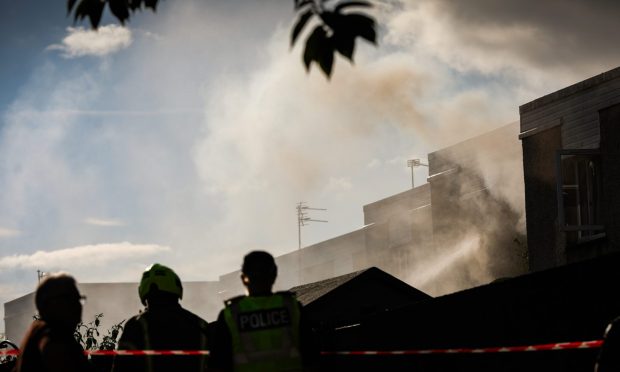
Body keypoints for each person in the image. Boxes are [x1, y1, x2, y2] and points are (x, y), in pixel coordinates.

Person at [209, 251, 317, 372]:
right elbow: (311, 356)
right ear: (274, 275)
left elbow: (218, 364)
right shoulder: (292, 308)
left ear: (244, 278)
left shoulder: (230, 314)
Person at [111, 263, 209, 372]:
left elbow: (121, 367)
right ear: (177, 289)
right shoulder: (201, 325)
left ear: (144, 292)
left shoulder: (137, 325)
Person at [14, 273, 94, 372]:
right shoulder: (53, 338)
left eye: (79, 299)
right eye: (72, 298)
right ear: (51, 303)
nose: (78, 305)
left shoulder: (37, 332)